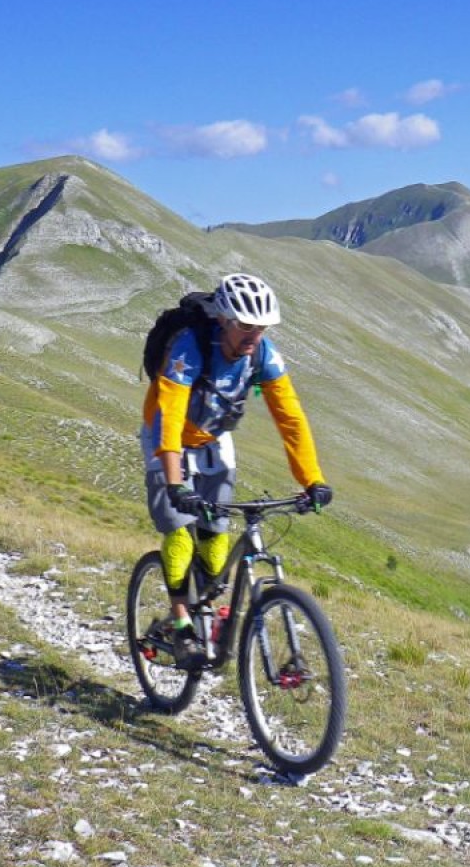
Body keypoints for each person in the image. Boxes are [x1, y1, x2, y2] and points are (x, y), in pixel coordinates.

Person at [140, 272, 332, 669]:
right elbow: (171, 418)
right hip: (166, 438)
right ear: (225, 320)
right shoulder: (189, 348)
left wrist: (312, 479)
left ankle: (206, 605)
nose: (254, 335)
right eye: (246, 326)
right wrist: (175, 482)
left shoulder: (262, 354)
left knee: (215, 537)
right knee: (179, 532)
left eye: (261, 327)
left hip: (213, 438)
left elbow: (290, 417)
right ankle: (181, 626)